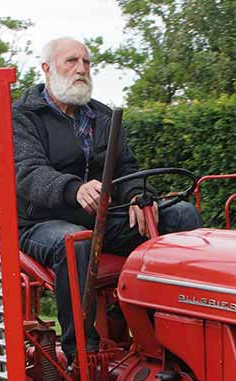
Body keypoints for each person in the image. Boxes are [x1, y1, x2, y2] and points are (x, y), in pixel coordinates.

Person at [13, 37, 202, 360]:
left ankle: (182, 334)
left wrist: (138, 197)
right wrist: (75, 189)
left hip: (101, 219)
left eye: (86, 62)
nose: (81, 69)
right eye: (71, 61)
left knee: (180, 214)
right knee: (76, 243)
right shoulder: (22, 116)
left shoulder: (102, 116)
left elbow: (126, 168)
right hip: (39, 223)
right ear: (46, 69)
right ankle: (81, 355)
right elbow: (29, 173)